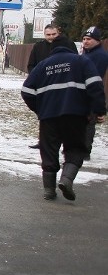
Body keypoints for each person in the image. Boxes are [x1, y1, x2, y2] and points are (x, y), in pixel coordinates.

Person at [21, 44, 106, 201]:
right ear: (72, 50)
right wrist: (99, 110)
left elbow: (26, 91)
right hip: (76, 114)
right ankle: (66, 180)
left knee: (49, 150)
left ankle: (49, 190)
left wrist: (40, 109)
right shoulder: (82, 62)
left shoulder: (43, 65)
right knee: (75, 148)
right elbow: (95, 86)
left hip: (48, 116)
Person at [25, 23, 77, 148]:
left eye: (54, 34)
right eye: (48, 35)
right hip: (44, 88)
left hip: (64, 87)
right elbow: (31, 65)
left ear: (58, 33)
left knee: (65, 114)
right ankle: (43, 141)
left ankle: (66, 141)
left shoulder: (69, 45)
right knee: (45, 115)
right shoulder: (38, 47)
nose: (51, 37)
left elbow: (76, 63)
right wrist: (36, 79)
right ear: (44, 35)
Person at [80, 26, 108, 161]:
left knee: (89, 122)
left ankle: (85, 151)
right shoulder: (87, 52)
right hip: (81, 93)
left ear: (97, 40)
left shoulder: (100, 55)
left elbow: (94, 78)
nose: (85, 41)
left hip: (90, 94)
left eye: (89, 39)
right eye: (84, 39)